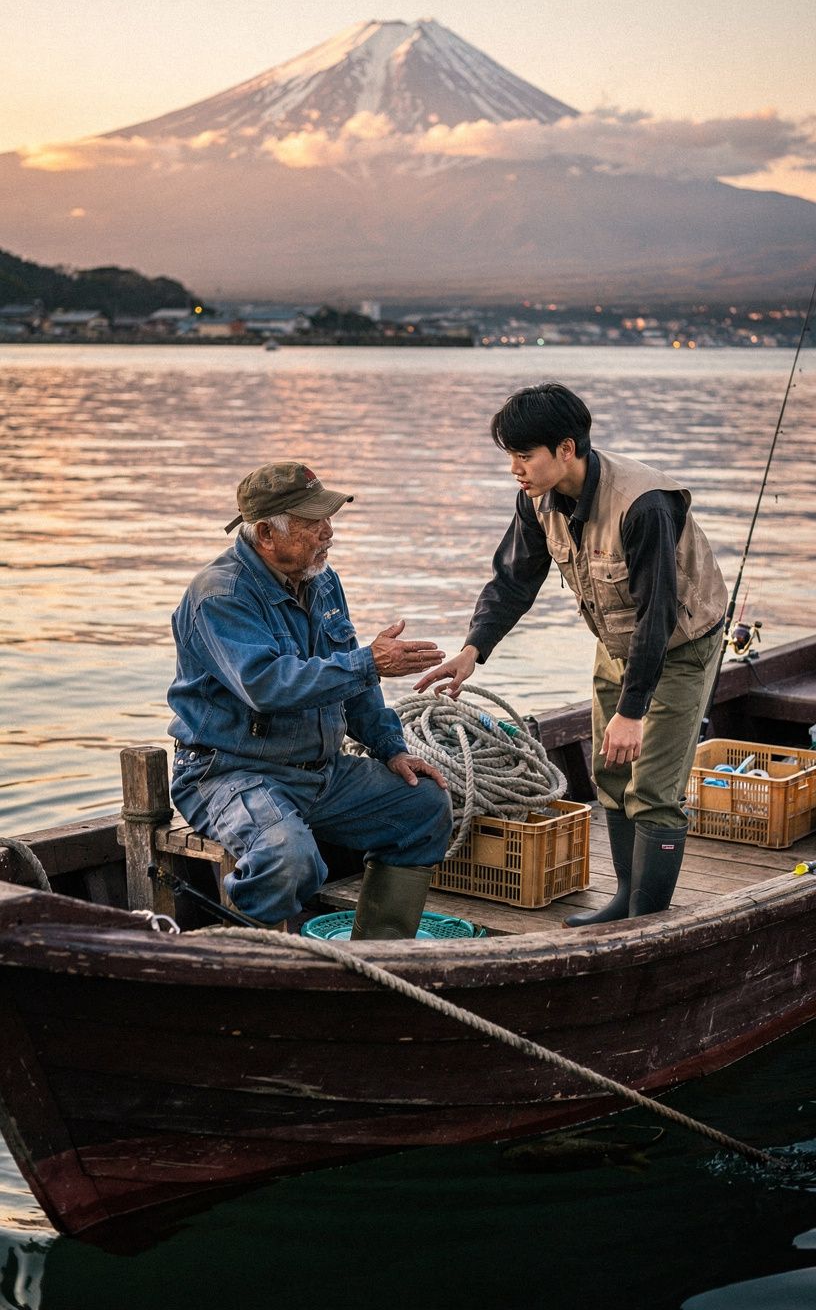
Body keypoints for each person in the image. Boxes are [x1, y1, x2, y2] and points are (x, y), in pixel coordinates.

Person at [416, 383, 727, 925]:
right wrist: (472, 650)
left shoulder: (644, 507)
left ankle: (645, 925)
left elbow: (657, 615)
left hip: (679, 646)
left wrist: (632, 713)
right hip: (617, 645)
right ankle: (625, 901)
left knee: (653, 789)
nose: (515, 468)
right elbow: (514, 580)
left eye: (523, 455)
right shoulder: (537, 498)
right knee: (609, 774)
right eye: (509, 455)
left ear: (566, 448)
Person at [168, 460, 453, 938]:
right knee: (287, 857)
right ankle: (246, 960)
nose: (327, 532)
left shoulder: (321, 580)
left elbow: (356, 683)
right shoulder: (219, 595)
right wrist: (370, 662)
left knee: (423, 806)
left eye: (328, 519)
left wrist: (391, 748)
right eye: (311, 523)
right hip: (228, 774)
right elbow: (267, 685)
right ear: (265, 534)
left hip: (318, 771)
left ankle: (377, 960)